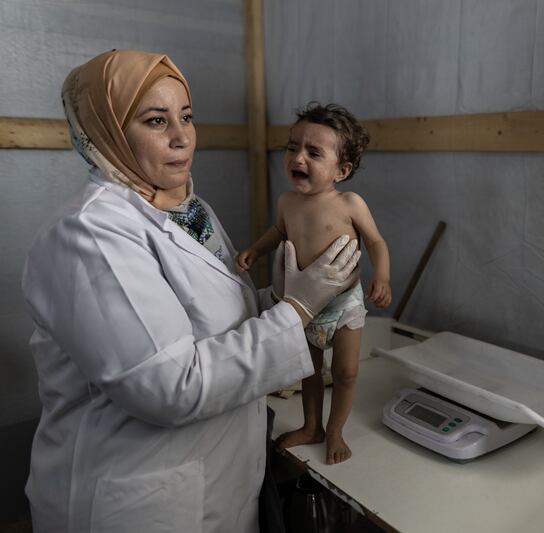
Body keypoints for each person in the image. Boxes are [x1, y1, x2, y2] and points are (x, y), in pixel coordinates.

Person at [21, 49, 360, 533]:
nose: (181, 137)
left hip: (215, 484)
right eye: (156, 121)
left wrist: (283, 297)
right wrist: (296, 309)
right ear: (107, 130)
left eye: (186, 116)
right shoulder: (89, 234)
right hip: (137, 502)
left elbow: (217, 319)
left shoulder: (186, 211)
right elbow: (169, 387)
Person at [235, 103, 391, 465]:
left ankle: (335, 430)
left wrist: (381, 276)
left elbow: (376, 242)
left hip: (341, 304)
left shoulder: (349, 203)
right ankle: (312, 427)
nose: (298, 158)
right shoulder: (287, 201)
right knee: (309, 371)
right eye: (292, 148)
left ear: (342, 169)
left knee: (346, 372)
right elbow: (278, 232)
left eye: (313, 152)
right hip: (301, 302)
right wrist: (256, 250)